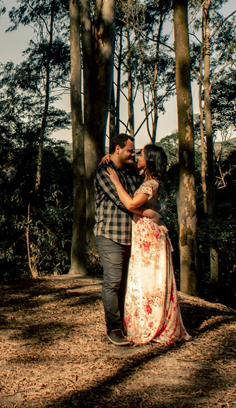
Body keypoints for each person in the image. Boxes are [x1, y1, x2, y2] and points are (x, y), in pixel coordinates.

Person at [108, 144, 191, 345]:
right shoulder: (147, 180)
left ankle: (152, 324)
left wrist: (115, 182)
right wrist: (109, 156)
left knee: (150, 282)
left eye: (142, 154)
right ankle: (147, 322)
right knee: (145, 281)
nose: (137, 156)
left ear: (150, 160)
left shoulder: (150, 184)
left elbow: (129, 204)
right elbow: (144, 207)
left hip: (150, 239)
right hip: (146, 236)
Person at [94, 133, 143, 346]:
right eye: (130, 150)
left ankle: (125, 324)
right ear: (117, 149)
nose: (134, 153)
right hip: (109, 235)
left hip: (131, 236)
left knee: (125, 285)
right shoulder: (104, 172)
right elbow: (127, 202)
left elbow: (145, 185)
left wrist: (133, 165)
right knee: (113, 283)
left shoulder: (131, 173)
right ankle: (114, 328)